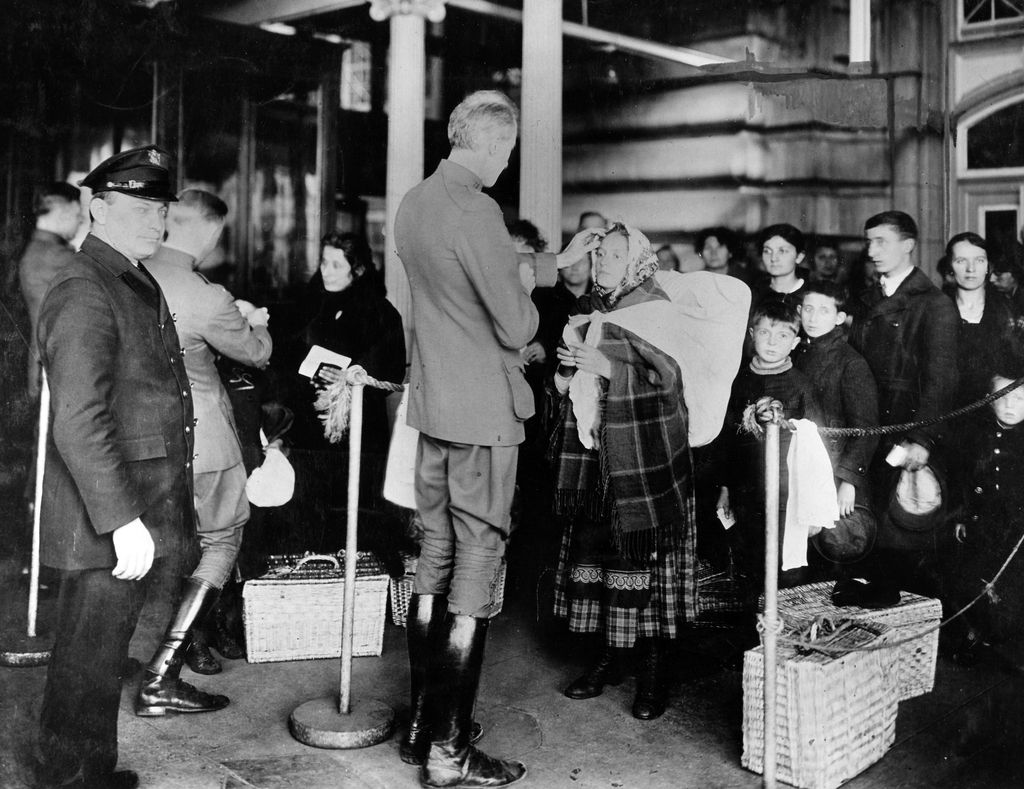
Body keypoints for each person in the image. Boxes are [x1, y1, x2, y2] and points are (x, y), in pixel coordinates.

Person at [394, 89, 600, 787]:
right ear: (488, 144)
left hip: (433, 407)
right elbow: (514, 324)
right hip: (483, 412)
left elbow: (466, 270)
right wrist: (539, 307)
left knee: (435, 554)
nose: (507, 163)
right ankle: (450, 752)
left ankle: (423, 726)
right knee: (479, 563)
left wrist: (554, 260)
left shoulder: (417, 201)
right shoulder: (478, 210)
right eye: (507, 151)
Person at [34, 145, 194, 789]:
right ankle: (71, 777)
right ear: (98, 209)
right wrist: (123, 520)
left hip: (124, 498)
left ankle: (82, 771)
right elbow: (78, 418)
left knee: (97, 650)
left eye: (162, 208)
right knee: (90, 649)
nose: (158, 220)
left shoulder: (123, 276)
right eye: (141, 207)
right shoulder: (85, 285)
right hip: (107, 506)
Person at [549, 223, 747, 721]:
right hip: (599, 458)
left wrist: (608, 368)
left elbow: (670, 386)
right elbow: (569, 393)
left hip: (646, 461)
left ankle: (654, 675)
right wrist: (569, 369)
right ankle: (608, 658)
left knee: (649, 570)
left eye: (616, 255)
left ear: (638, 263)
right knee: (603, 558)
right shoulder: (588, 313)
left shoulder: (658, 312)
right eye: (600, 254)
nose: (603, 262)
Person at [141, 189, 272, 704]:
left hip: (146, 444)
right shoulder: (208, 295)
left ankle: (166, 657)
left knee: (168, 547)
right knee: (221, 542)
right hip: (206, 443)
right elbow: (255, 354)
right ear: (212, 231)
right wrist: (256, 322)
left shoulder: (131, 275)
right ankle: (163, 673)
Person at [273, 232, 407, 567]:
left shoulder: (381, 312)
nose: (327, 271)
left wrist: (352, 376)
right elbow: (282, 354)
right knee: (307, 506)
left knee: (355, 507)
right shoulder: (306, 305)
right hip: (308, 430)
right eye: (323, 262)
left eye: (337, 264)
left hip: (358, 429)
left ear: (357, 270)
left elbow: (391, 372)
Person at [848, 210, 959, 597]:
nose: (872, 251)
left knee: (903, 533)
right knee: (865, 531)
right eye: (869, 242)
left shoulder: (934, 304)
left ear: (909, 245)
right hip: (867, 428)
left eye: (881, 242)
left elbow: (941, 380)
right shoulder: (866, 300)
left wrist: (922, 438)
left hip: (905, 430)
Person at [717, 300, 824, 594]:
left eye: (783, 335)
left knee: (786, 569)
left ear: (796, 342)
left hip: (788, 495)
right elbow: (726, 441)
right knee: (749, 566)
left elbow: (817, 450)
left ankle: (784, 621)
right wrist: (725, 489)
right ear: (752, 334)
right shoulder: (738, 382)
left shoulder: (801, 385)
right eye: (765, 333)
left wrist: (813, 505)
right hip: (746, 492)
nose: (772, 342)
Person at [793, 281, 880, 569]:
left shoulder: (850, 362)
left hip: (834, 473)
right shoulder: (795, 353)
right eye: (808, 309)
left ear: (839, 317)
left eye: (823, 311)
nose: (813, 318)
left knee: (833, 553)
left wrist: (849, 481)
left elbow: (866, 430)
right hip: (800, 468)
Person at [946, 364, 1024, 672]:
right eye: (1002, 398)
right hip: (983, 522)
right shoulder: (975, 435)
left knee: (1013, 584)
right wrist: (962, 515)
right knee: (974, 579)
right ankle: (975, 637)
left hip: (1017, 529)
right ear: (989, 400)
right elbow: (964, 478)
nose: (1010, 406)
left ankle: (1008, 643)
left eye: (1019, 399)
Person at [939, 232, 1024, 407]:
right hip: (945, 411)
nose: (971, 269)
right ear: (950, 266)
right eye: (961, 261)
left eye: (979, 260)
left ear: (988, 266)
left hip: (997, 411)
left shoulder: (1011, 311)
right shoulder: (934, 310)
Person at [18, 182, 83, 398]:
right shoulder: (55, 255)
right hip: (52, 369)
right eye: (77, 214)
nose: (81, 220)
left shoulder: (39, 249)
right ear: (63, 215)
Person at [752, 223, 809, 309]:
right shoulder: (754, 294)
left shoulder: (810, 294)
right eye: (767, 251)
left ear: (799, 257)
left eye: (782, 251)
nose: (773, 258)